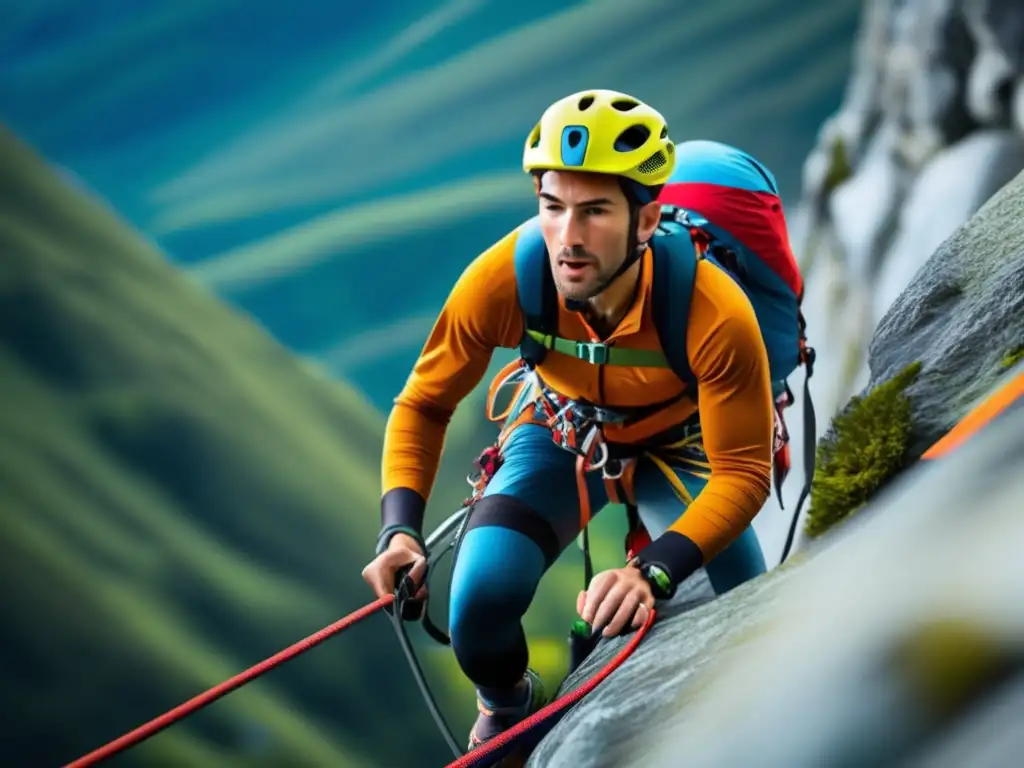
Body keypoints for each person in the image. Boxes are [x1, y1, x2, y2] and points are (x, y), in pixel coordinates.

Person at [362, 89, 775, 750]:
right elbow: (423, 402)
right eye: (551, 208)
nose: (568, 237)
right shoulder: (503, 280)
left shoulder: (712, 309)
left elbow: (743, 472)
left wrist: (653, 570)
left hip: (684, 443)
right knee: (478, 610)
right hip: (561, 432)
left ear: (646, 221)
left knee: (748, 617)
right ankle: (509, 709)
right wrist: (398, 532)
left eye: (595, 212)